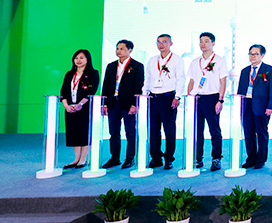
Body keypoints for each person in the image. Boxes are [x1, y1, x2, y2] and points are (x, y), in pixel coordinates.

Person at [186, 32, 228, 172]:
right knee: (197, 131)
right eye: (201, 41)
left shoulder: (220, 60)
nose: (203, 44)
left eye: (206, 41)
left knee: (214, 130)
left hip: (212, 98)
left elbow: (223, 81)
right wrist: (189, 98)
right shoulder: (195, 62)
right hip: (197, 99)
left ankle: (216, 159)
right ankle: (198, 158)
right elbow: (191, 81)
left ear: (213, 43)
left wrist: (220, 100)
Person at [100, 39, 144, 170]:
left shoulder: (137, 66)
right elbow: (106, 85)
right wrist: (104, 104)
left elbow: (139, 86)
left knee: (130, 132)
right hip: (113, 103)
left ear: (130, 50)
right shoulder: (111, 66)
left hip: (128, 103)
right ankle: (115, 158)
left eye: (122, 49)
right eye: (117, 48)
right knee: (113, 132)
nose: (118, 51)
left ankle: (130, 158)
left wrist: (135, 104)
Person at [143, 34, 182, 170]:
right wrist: (144, 95)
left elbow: (180, 79)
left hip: (168, 98)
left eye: (164, 42)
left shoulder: (177, 59)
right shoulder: (152, 60)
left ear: (171, 43)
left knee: (169, 130)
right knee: (153, 130)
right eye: (158, 42)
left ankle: (169, 158)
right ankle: (156, 158)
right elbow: (147, 79)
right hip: (153, 98)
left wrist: (177, 97)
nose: (161, 45)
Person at [236, 44, 272, 169]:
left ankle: (261, 159)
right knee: (248, 133)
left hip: (262, 106)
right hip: (246, 105)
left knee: (261, 133)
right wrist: (239, 105)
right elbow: (240, 90)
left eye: (256, 54)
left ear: (262, 55)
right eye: (251, 54)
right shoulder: (244, 71)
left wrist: (270, 106)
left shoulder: (269, 70)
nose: (252, 56)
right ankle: (251, 158)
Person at [60, 49, 99, 169]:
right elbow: (63, 91)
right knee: (73, 133)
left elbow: (91, 91)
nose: (78, 60)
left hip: (85, 107)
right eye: (76, 58)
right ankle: (76, 159)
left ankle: (83, 159)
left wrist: (80, 104)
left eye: (81, 58)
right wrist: (66, 105)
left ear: (87, 59)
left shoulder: (93, 73)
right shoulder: (69, 74)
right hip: (70, 107)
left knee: (84, 132)